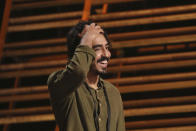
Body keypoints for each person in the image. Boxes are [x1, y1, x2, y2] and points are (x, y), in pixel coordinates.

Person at [47, 21, 125, 131]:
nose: (106, 54)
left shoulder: (113, 92)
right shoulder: (59, 83)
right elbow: (78, 72)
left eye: (107, 47)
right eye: (97, 49)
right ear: (81, 51)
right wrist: (87, 39)